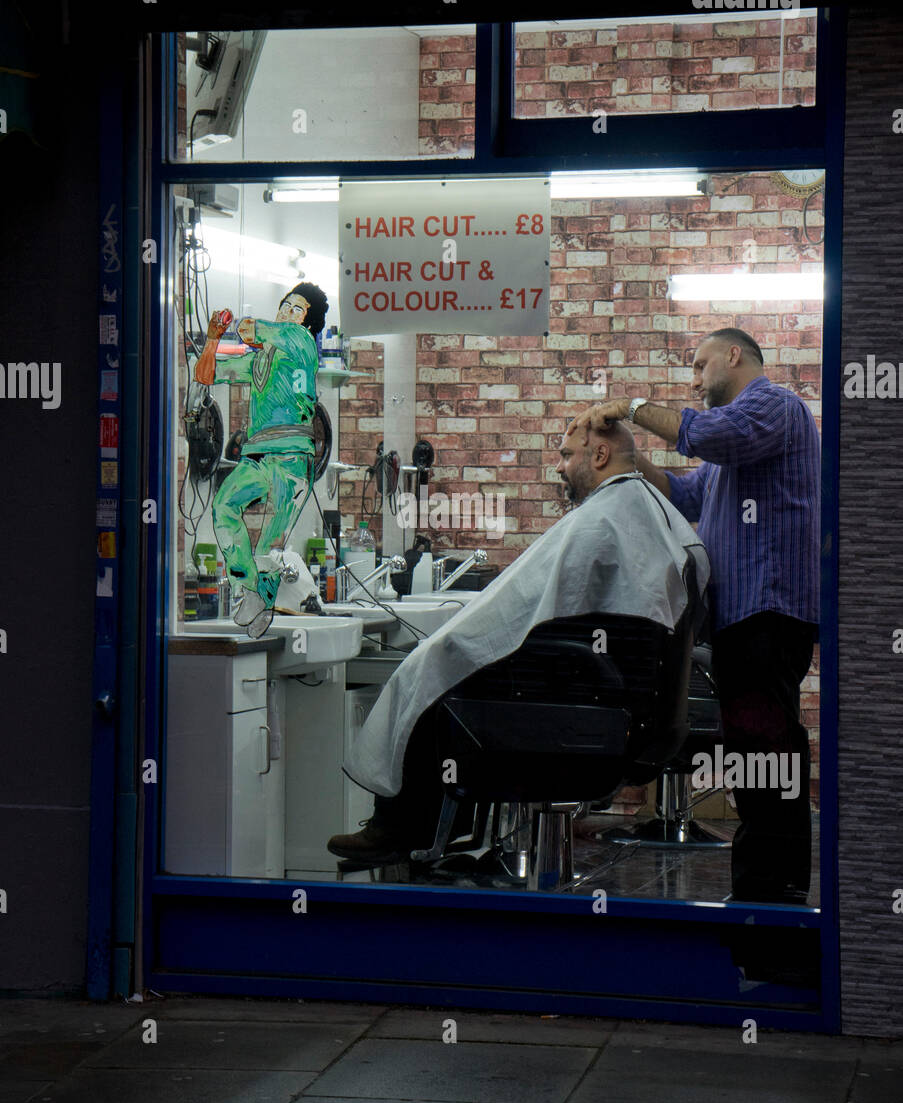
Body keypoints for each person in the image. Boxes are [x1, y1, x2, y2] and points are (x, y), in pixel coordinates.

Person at [329, 412, 710, 865]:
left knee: (435, 663)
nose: (560, 467)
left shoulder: (601, 522)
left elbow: (520, 611)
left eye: (567, 455)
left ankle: (401, 828)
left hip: (581, 698)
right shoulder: (647, 514)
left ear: (601, 454)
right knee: (448, 662)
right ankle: (429, 831)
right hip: (622, 704)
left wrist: (456, 643)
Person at [595, 328, 819, 904]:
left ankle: (772, 902)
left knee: (766, 752)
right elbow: (687, 493)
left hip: (768, 613)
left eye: (700, 365)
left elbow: (708, 435)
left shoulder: (773, 405)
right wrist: (628, 459)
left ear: (734, 356)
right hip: (744, 618)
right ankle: (767, 895)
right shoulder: (732, 451)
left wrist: (634, 408)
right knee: (756, 751)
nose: (694, 378)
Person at [194, 282, 328, 639]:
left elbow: (253, 328)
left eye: (296, 309)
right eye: (284, 305)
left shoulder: (301, 343)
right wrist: (211, 339)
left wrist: (240, 327)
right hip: (257, 454)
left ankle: (256, 599)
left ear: (308, 324)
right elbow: (206, 374)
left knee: (271, 546)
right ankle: (248, 588)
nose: (286, 312)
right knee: (224, 506)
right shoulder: (261, 358)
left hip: (293, 458)